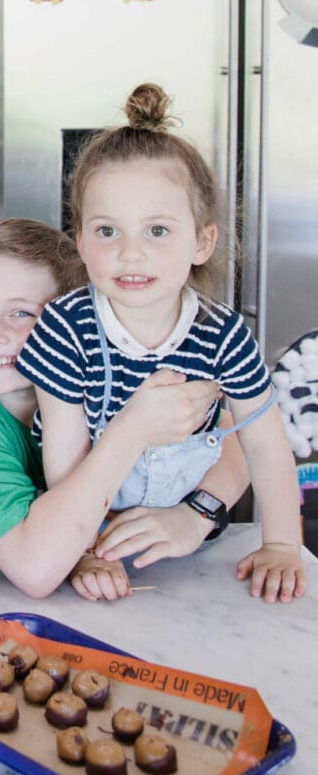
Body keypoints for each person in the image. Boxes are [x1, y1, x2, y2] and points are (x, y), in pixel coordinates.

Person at [15, 83, 307, 603]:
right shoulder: (66, 328)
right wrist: (83, 551)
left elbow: (265, 445)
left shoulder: (223, 334)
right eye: (107, 232)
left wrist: (282, 543)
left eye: (157, 231)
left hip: (188, 550)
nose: (131, 254)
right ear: (79, 241)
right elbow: (64, 459)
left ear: (202, 241)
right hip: (89, 531)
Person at [0, 218, 247, 598]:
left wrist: (195, 515)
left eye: (22, 314)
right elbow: (35, 569)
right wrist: (131, 431)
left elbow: (233, 433)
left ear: (75, 321)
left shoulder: (103, 371)